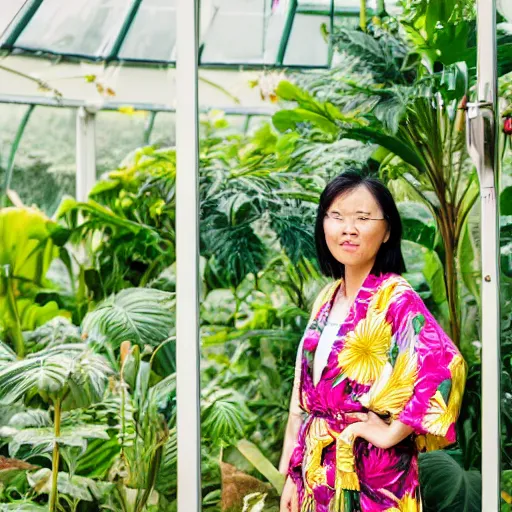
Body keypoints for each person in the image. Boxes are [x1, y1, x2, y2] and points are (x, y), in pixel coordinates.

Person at [278, 171, 466, 512]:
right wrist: (293, 474)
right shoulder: (326, 297)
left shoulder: (394, 297)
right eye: (336, 217)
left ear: (387, 231)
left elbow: (443, 365)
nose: (348, 229)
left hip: (375, 478)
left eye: (363, 218)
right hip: (316, 472)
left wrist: (391, 433)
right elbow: (302, 397)